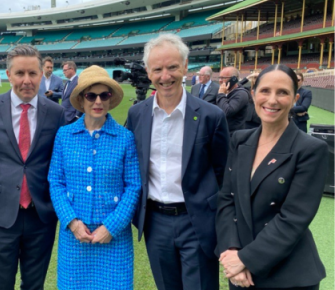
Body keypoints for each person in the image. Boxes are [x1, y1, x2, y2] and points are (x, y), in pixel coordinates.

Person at [126, 34, 230, 290]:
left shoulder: (211, 116)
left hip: (197, 221)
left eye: (172, 67)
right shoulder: (137, 114)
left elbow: (223, 174)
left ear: (185, 67)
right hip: (155, 222)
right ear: (149, 72)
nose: (165, 76)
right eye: (157, 69)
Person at [216, 64, 328, 290]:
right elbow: (227, 199)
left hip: (287, 276)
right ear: (253, 94)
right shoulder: (239, 139)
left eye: (283, 92)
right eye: (265, 91)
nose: (272, 100)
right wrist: (230, 249)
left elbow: (293, 217)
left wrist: (246, 260)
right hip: (240, 274)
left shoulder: (310, 149)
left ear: (295, 98)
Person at [0, 44, 65, 290]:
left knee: (34, 284)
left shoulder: (56, 113)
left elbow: (61, 162)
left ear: (41, 75)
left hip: (41, 214)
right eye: (20, 74)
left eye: (33, 73)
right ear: (8, 75)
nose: (27, 81)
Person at [48, 65, 141, 290]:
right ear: (81, 99)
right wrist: (71, 222)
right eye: (91, 95)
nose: (97, 101)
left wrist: (111, 226)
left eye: (104, 95)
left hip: (114, 239)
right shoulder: (64, 135)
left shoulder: (125, 137)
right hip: (74, 237)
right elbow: (56, 182)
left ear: (110, 99)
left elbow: (133, 186)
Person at [217, 66, 250, 135]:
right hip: (222, 132)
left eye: (223, 78)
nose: (220, 80)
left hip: (233, 136)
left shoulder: (241, 94)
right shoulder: (225, 91)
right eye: (220, 77)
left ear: (233, 79)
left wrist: (221, 95)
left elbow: (227, 112)